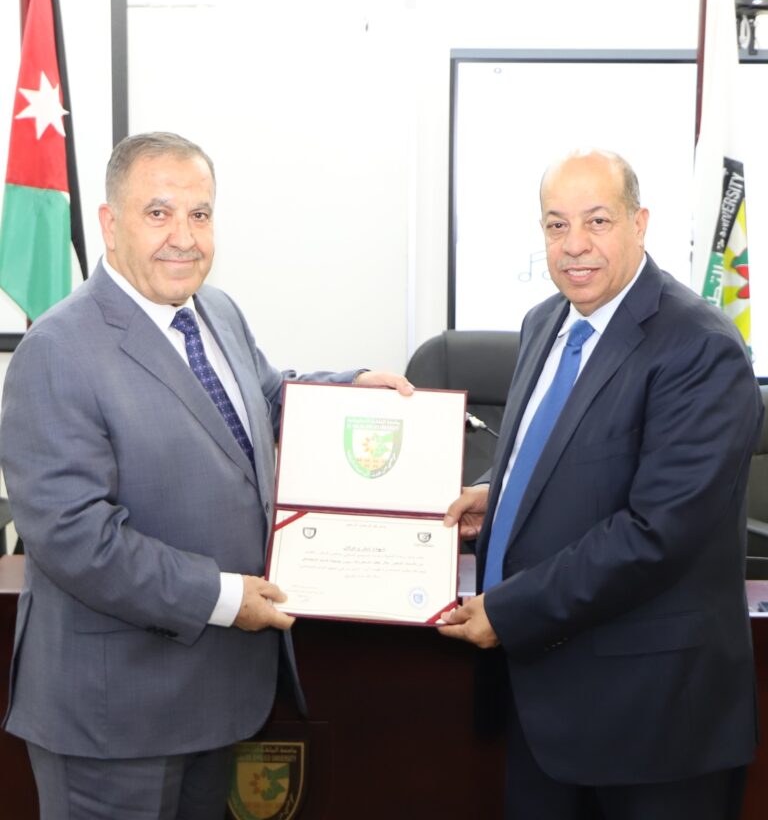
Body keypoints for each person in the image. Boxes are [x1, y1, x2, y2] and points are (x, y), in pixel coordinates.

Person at [0, 131, 412, 820]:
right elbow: (76, 540)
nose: (184, 237)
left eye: (200, 214)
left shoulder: (214, 310)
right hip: (115, 717)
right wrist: (225, 597)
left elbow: (263, 399)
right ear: (110, 224)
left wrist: (350, 390)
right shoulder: (57, 350)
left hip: (216, 701)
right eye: (158, 213)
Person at [439, 148, 764, 819]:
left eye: (597, 221)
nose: (575, 245)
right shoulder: (545, 321)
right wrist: (498, 498)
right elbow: (563, 450)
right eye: (556, 225)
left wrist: (510, 610)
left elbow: (656, 534)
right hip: (543, 705)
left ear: (639, 223)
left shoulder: (699, 346)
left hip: (654, 722)